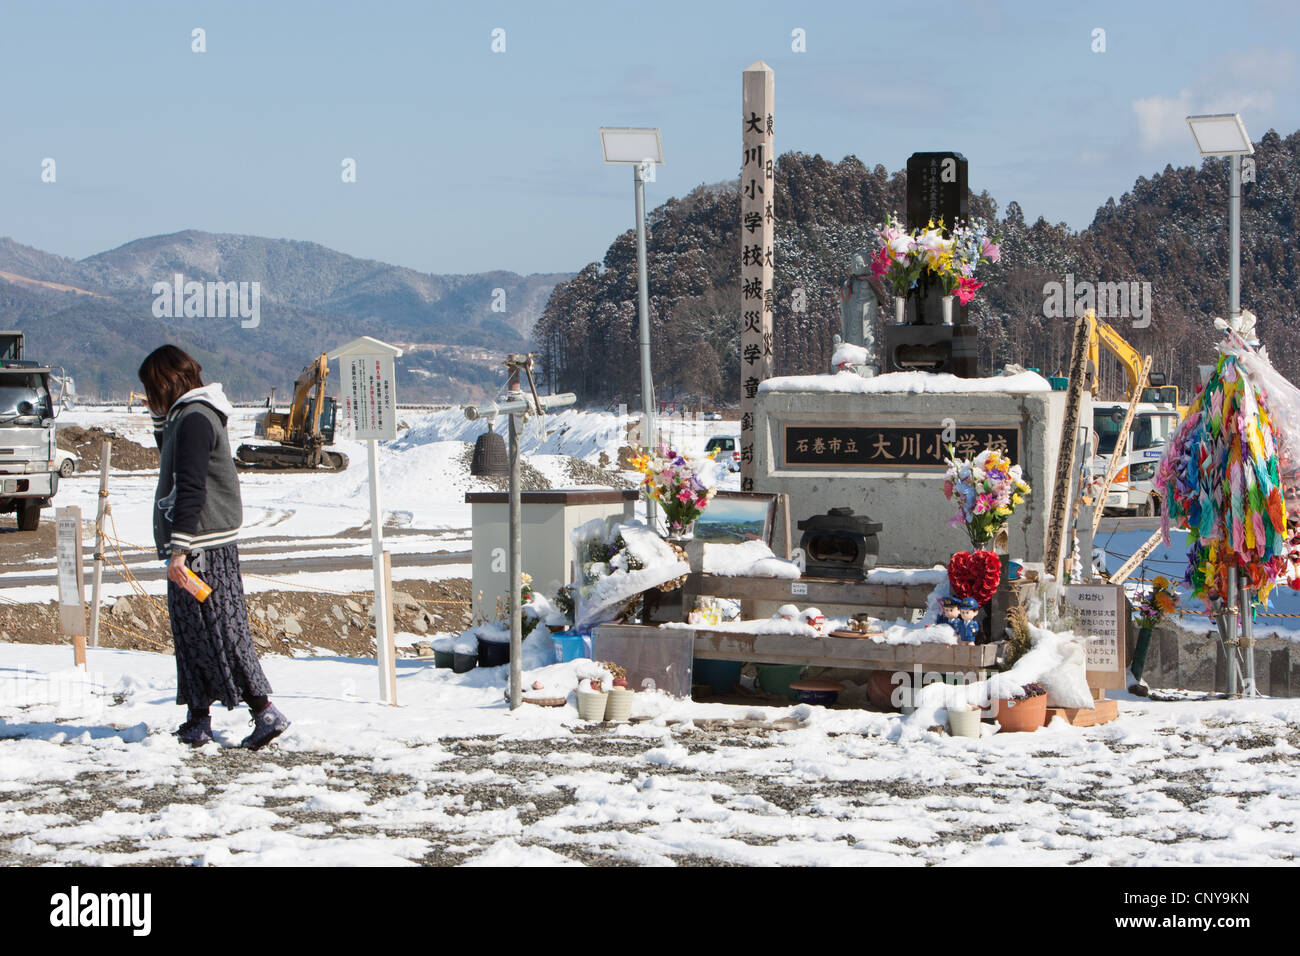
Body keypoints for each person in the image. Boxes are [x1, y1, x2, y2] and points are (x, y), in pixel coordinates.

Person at [139, 345, 290, 749]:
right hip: (200, 544)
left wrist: (179, 548)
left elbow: (191, 487)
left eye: (153, 389)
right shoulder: (188, 417)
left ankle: (265, 711)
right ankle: (198, 718)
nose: (151, 397)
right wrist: (160, 420)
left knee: (221, 630)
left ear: (166, 383)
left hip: (201, 547)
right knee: (193, 634)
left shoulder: (194, 418)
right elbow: (175, 463)